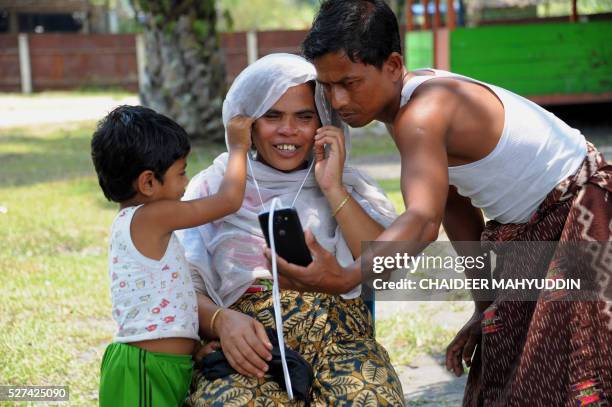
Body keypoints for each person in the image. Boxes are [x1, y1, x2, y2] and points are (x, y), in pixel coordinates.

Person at [271, 0, 612, 406]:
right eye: (327, 87)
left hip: (583, 215)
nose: (338, 100)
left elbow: (422, 219)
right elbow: (455, 209)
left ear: (394, 66)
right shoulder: (410, 112)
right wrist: (485, 308)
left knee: (568, 383)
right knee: (506, 372)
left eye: (349, 82)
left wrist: (348, 276)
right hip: (537, 228)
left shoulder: (422, 114)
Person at [178, 53, 405, 406]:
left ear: (323, 122)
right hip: (251, 349)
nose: (288, 130)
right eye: (272, 116)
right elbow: (178, 282)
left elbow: (387, 263)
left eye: (304, 117)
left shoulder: (349, 185)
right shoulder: (214, 188)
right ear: (248, 124)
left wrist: (332, 188)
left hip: (341, 342)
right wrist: (222, 321)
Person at [91, 105, 252, 406]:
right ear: (148, 182)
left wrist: (192, 348)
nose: (186, 182)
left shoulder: (140, 220)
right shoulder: (152, 216)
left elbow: (156, 304)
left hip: (161, 364)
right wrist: (239, 148)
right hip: (145, 368)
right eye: (182, 173)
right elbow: (229, 200)